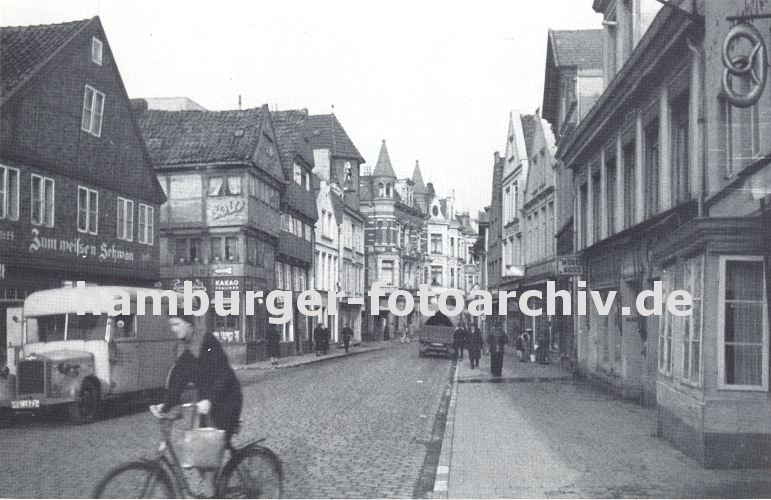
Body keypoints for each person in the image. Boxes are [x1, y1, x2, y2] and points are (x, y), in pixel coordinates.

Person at [150, 314, 243, 497]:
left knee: (207, 462)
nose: (173, 328)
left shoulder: (207, 342)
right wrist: (166, 405)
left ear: (189, 324)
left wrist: (210, 400)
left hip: (226, 401)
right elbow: (178, 379)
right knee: (199, 457)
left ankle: (213, 493)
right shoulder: (184, 348)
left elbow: (223, 373)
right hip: (206, 404)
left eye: (177, 324)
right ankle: (215, 490)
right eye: (172, 325)